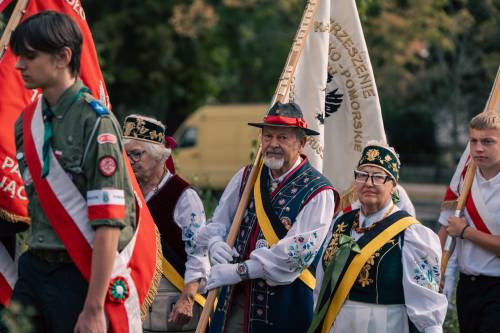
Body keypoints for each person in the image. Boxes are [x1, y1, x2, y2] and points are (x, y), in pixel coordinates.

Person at [9, 11, 140, 332]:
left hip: (77, 273)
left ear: (63, 57)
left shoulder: (95, 122)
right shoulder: (26, 123)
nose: (19, 66)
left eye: (29, 56)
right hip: (34, 268)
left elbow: (109, 220)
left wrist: (94, 307)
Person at [197, 101, 338, 333]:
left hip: (284, 306)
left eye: (283, 138)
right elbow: (219, 221)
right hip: (233, 300)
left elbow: (297, 254)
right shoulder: (246, 176)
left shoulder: (319, 191)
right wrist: (214, 243)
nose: (272, 144)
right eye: (268, 136)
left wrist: (239, 271)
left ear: (302, 143)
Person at [310, 142, 447, 333]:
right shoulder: (342, 222)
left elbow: (426, 302)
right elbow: (322, 280)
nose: (368, 183)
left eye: (378, 177)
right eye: (363, 175)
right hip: (338, 323)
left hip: (384, 324)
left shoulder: (411, 234)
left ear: (393, 186)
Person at [123, 115, 209, 331]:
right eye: (125, 154)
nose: (129, 161)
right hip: (128, 300)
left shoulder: (183, 196)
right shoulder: (123, 192)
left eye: (136, 154)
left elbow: (198, 254)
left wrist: (187, 298)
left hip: (170, 306)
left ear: (159, 157)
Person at [438, 112, 500, 333]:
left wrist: (466, 232)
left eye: (487, 142)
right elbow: (446, 226)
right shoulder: (465, 179)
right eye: (473, 141)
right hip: (467, 287)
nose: (478, 148)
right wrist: (437, 271)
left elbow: (458, 229)